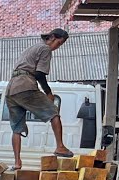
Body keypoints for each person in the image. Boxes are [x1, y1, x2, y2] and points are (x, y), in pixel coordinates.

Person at [7, 28, 74, 170]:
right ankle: (60, 147)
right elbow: (39, 74)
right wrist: (48, 92)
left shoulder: (33, 47)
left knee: (16, 128)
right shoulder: (45, 49)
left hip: (11, 88)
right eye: (59, 43)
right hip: (26, 85)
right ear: (52, 37)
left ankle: (17, 163)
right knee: (53, 113)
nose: (57, 47)